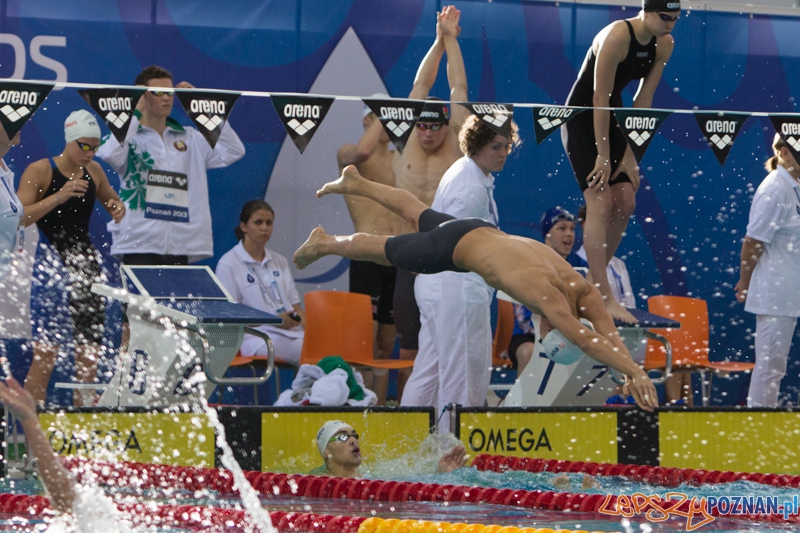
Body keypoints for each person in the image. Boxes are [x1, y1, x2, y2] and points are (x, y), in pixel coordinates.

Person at [294, 166, 658, 411]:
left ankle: (357, 182)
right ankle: (327, 242)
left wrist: (624, 370)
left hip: (472, 229)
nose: (548, 328)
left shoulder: (578, 283)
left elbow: (606, 333)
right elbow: (585, 338)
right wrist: (637, 372)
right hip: (455, 251)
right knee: (386, 251)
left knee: (416, 211)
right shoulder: (547, 297)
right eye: (551, 330)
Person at [95, 65, 246, 353]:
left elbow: (234, 150)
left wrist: (202, 111)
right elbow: (109, 154)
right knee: (135, 321)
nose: (167, 98)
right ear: (142, 95)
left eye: (171, 92)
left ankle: (163, 391)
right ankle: (125, 386)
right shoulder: (130, 137)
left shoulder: (191, 137)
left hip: (180, 244)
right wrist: (134, 113)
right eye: (159, 92)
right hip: (140, 242)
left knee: (172, 322)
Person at [562, 0, 678, 324]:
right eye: (665, 16)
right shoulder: (616, 36)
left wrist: (630, 155)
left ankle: (591, 283)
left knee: (625, 200)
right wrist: (601, 154)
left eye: (676, 18)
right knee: (599, 200)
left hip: (615, 120)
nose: (670, 23)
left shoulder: (664, 44)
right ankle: (602, 294)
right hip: (583, 118)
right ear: (647, 11)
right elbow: (599, 97)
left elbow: (644, 101)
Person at [402, 116, 519, 429]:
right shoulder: (469, 188)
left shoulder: (469, 174)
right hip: (454, 287)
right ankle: (453, 450)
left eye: (507, 146)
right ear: (477, 144)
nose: (503, 153)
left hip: (443, 287)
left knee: (430, 368)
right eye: (496, 146)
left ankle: (405, 439)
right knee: (463, 371)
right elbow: (451, 245)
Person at [17, 110, 126, 406]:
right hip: (50, 266)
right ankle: (30, 437)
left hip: (86, 267)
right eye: (84, 145)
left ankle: (83, 436)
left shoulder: (95, 172)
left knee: (88, 357)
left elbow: (112, 200)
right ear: (69, 140)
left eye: (94, 146)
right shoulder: (40, 170)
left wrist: (117, 208)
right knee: (46, 356)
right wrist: (59, 196)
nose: (90, 153)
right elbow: (18, 219)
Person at [391, 5, 469, 398]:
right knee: (410, 348)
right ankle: (411, 421)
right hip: (409, 254)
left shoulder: (456, 136)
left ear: (445, 126)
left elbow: (458, 89)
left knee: (448, 349)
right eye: (420, 125)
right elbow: (420, 85)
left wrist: (452, 41)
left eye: (432, 127)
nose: (425, 133)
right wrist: (437, 42)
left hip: (446, 258)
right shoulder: (408, 134)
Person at [337, 97, 404, 404]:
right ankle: (364, 407)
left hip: (395, 255)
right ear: (367, 121)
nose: (389, 124)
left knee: (386, 345)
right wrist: (384, 113)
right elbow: (363, 150)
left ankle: (381, 409)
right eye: (381, 118)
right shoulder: (349, 155)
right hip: (366, 254)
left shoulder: (399, 158)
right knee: (365, 344)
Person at [735, 134, 800, 407]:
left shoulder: (794, 185)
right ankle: (758, 428)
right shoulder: (775, 188)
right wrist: (745, 280)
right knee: (770, 366)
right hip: (776, 293)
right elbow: (753, 240)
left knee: (775, 367)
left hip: (789, 291)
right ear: (784, 153)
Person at [215, 200, 304, 366]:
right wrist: (274, 320)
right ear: (244, 227)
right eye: (258, 222)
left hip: (292, 333)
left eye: (269, 223)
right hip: (256, 337)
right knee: (309, 353)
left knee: (328, 349)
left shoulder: (280, 261)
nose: (265, 228)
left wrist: (314, 331)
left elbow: (296, 308)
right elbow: (229, 318)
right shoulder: (229, 263)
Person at [509, 207, 588, 375]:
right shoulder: (531, 261)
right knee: (528, 352)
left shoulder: (581, 265)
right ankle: (523, 401)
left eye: (572, 229)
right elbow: (523, 318)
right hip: (530, 335)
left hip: (570, 330)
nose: (569, 234)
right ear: (547, 234)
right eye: (561, 228)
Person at [311, 420, 467, 478]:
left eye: (354, 435)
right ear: (326, 451)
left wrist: (443, 477)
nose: (353, 440)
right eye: (342, 437)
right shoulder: (316, 482)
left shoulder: (372, 478)